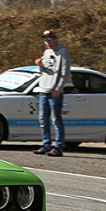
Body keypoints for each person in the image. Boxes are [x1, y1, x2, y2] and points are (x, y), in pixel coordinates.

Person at [34, 28, 71, 156]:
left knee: (56, 119)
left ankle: (59, 146)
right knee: (43, 118)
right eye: (45, 39)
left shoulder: (63, 53)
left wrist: (59, 88)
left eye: (50, 39)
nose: (48, 42)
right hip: (44, 88)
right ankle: (46, 144)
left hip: (54, 91)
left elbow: (65, 72)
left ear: (55, 38)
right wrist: (40, 66)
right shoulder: (47, 52)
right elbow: (45, 71)